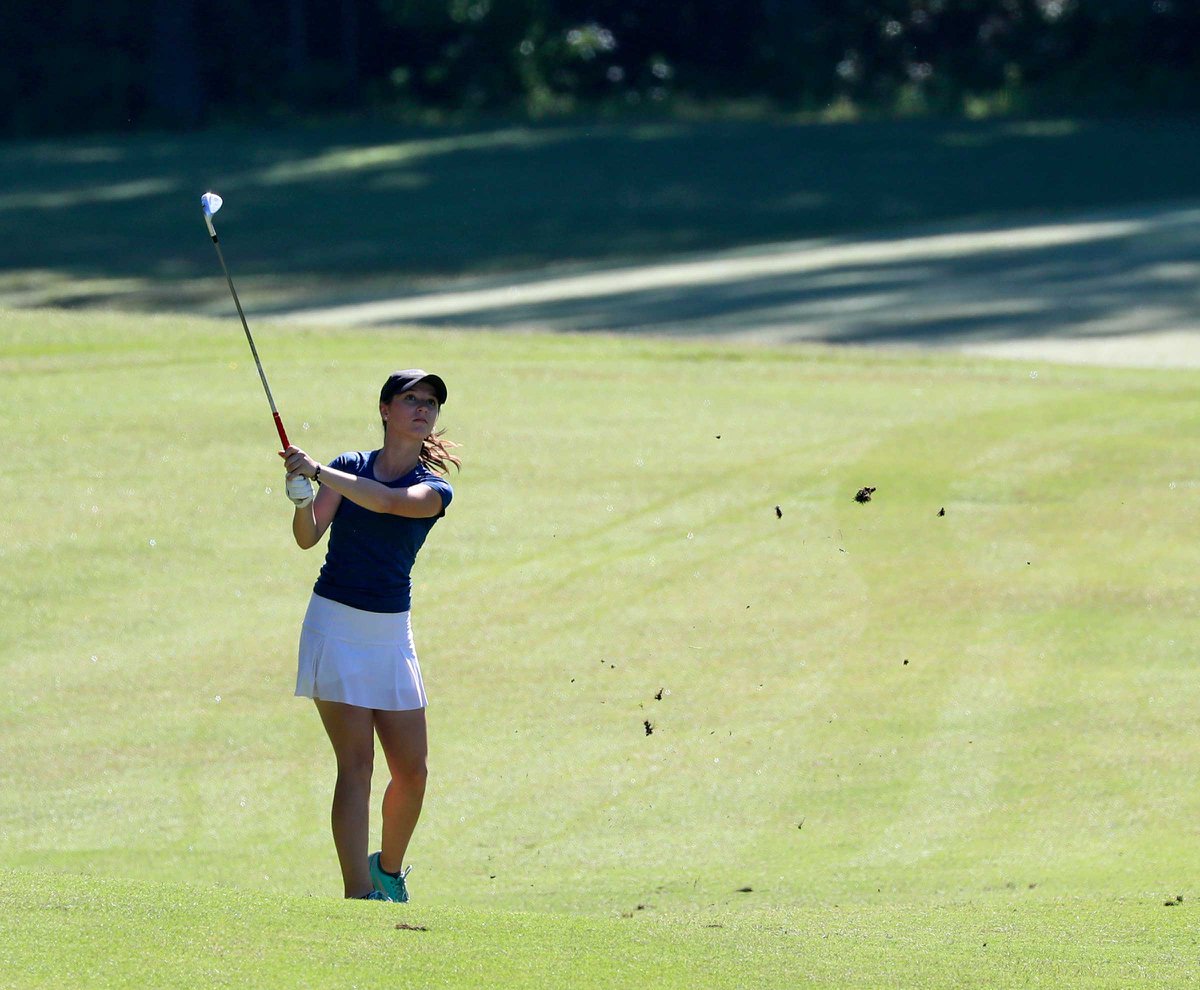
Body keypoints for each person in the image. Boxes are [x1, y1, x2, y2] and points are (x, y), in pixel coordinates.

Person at [280, 369, 460, 902]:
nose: (422, 408)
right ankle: (358, 896)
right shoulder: (347, 468)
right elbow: (309, 536)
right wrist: (299, 496)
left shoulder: (435, 488)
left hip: (389, 634)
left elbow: (385, 502)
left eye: (429, 402)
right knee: (355, 766)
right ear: (385, 410)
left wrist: (317, 471)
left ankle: (388, 869)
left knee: (413, 772)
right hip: (334, 624)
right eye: (410, 399)